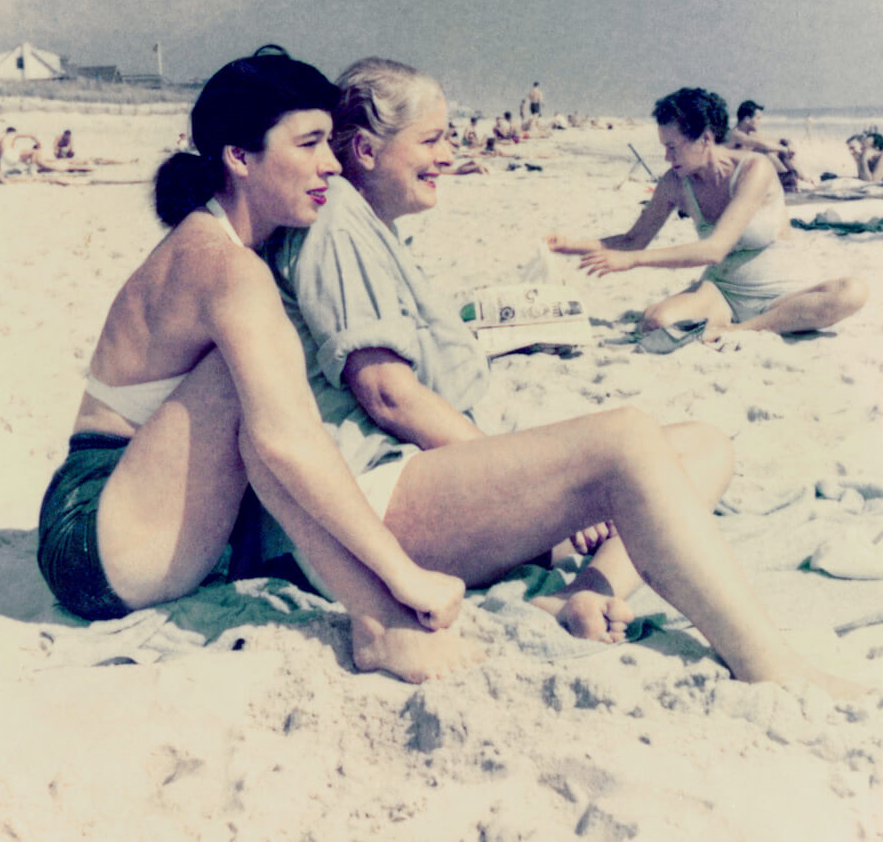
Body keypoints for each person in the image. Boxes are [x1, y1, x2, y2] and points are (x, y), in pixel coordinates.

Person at [265, 58, 866, 695]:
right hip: (377, 500)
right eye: (433, 139)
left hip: (430, 480)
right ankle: (770, 665)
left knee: (701, 445)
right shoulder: (337, 228)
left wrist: (538, 479)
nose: (448, 155)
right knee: (627, 440)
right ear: (365, 149)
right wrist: (522, 472)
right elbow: (387, 395)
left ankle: (587, 592)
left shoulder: (369, 228)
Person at [36, 47, 474, 684]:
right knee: (255, 399)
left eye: (331, 142)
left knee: (264, 395)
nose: (331, 164)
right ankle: (376, 620)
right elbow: (284, 442)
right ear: (240, 159)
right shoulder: (223, 266)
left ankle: (372, 605)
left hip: (135, 513)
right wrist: (401, 575)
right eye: (309, 144)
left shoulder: (232, 247)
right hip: (92, 538)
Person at [547, 88, 868, 342]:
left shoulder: (754, 169)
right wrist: (569, 245)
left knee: (853, 293)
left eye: (673, 146)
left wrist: (631, 261)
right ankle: (741, 325)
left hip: (782, 296)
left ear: (705, 139)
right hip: (722, 293)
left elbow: (715, 249)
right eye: (664, 146)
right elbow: (633, 239)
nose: (666, 156)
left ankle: (746, 329)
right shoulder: (675, 182)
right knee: (655, 321)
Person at [727, 100, 814, 191]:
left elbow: (779, 140)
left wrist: (788, 144)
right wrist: (784, 149)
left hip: (752, 175)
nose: (760, 122)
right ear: (747, 120)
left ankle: (802, 178)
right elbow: (760, 144)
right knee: (763, 150)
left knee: (780, 150)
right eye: (758, 118)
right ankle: (791, 179)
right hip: (736, 178)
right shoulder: (735, 134)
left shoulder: (750, 134)